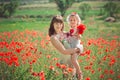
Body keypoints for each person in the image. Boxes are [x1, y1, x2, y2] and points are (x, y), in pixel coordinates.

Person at [48, 15, 80, 79]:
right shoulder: (53, 37)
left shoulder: (65, 33)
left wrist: (78, 36)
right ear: (52, 24)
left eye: (60, 23)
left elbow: (75, 42)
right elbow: (64, 51)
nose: (59, 25)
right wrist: (78, 49)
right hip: (64, 64)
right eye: (56, 23)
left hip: (72, 62)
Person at [64, 12, 86, 80]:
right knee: (71, 63)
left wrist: (78, 35)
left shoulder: (77, 29)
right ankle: (73, 76)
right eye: (71, 20)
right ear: (68, 22)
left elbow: (80, 36)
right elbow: (69, 38)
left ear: (77, 21)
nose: (72, 21)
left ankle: (79, 73)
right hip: (71, 47)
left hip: (76, 48)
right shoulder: (70, 30)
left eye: (74, 20)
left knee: (73, 60)